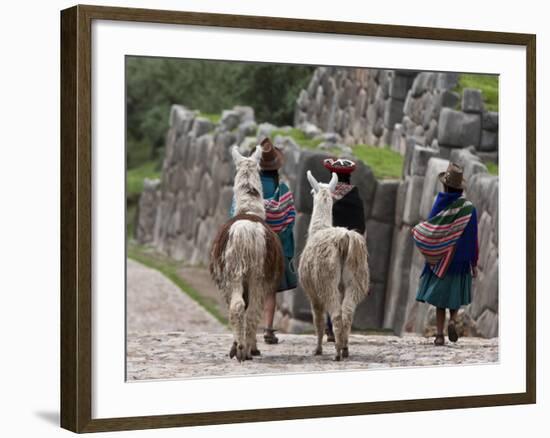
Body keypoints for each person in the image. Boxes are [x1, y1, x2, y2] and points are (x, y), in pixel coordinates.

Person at [230, 137, 297, 345]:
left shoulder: (248, 187)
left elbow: (235, 212)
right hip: (273, 243)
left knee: (242, 283)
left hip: (245, 237)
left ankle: (242, 332)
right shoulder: (282, 189)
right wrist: (283, 247)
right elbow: (289, 219)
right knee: (269, 289)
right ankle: (268, 329)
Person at [412, 162, 478, 346]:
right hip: (461, 261)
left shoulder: (440, 202)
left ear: (445, 185)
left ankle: (440, 335)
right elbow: (474, 239)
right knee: (454, 296)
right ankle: (453, 319)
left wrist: (418, 232)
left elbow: (432, 228)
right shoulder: (469, 209)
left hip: (441, 260)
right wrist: (473, 262)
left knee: (440, 300)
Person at [321, 158, 366, 342]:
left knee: (331, 286)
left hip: (331, 247)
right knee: (347, 287)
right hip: (351, 247)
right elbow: (361, 226)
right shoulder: (356, 198)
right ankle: (342, 327)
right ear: (348, 177)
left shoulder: (328, 198)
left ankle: (330, 327)